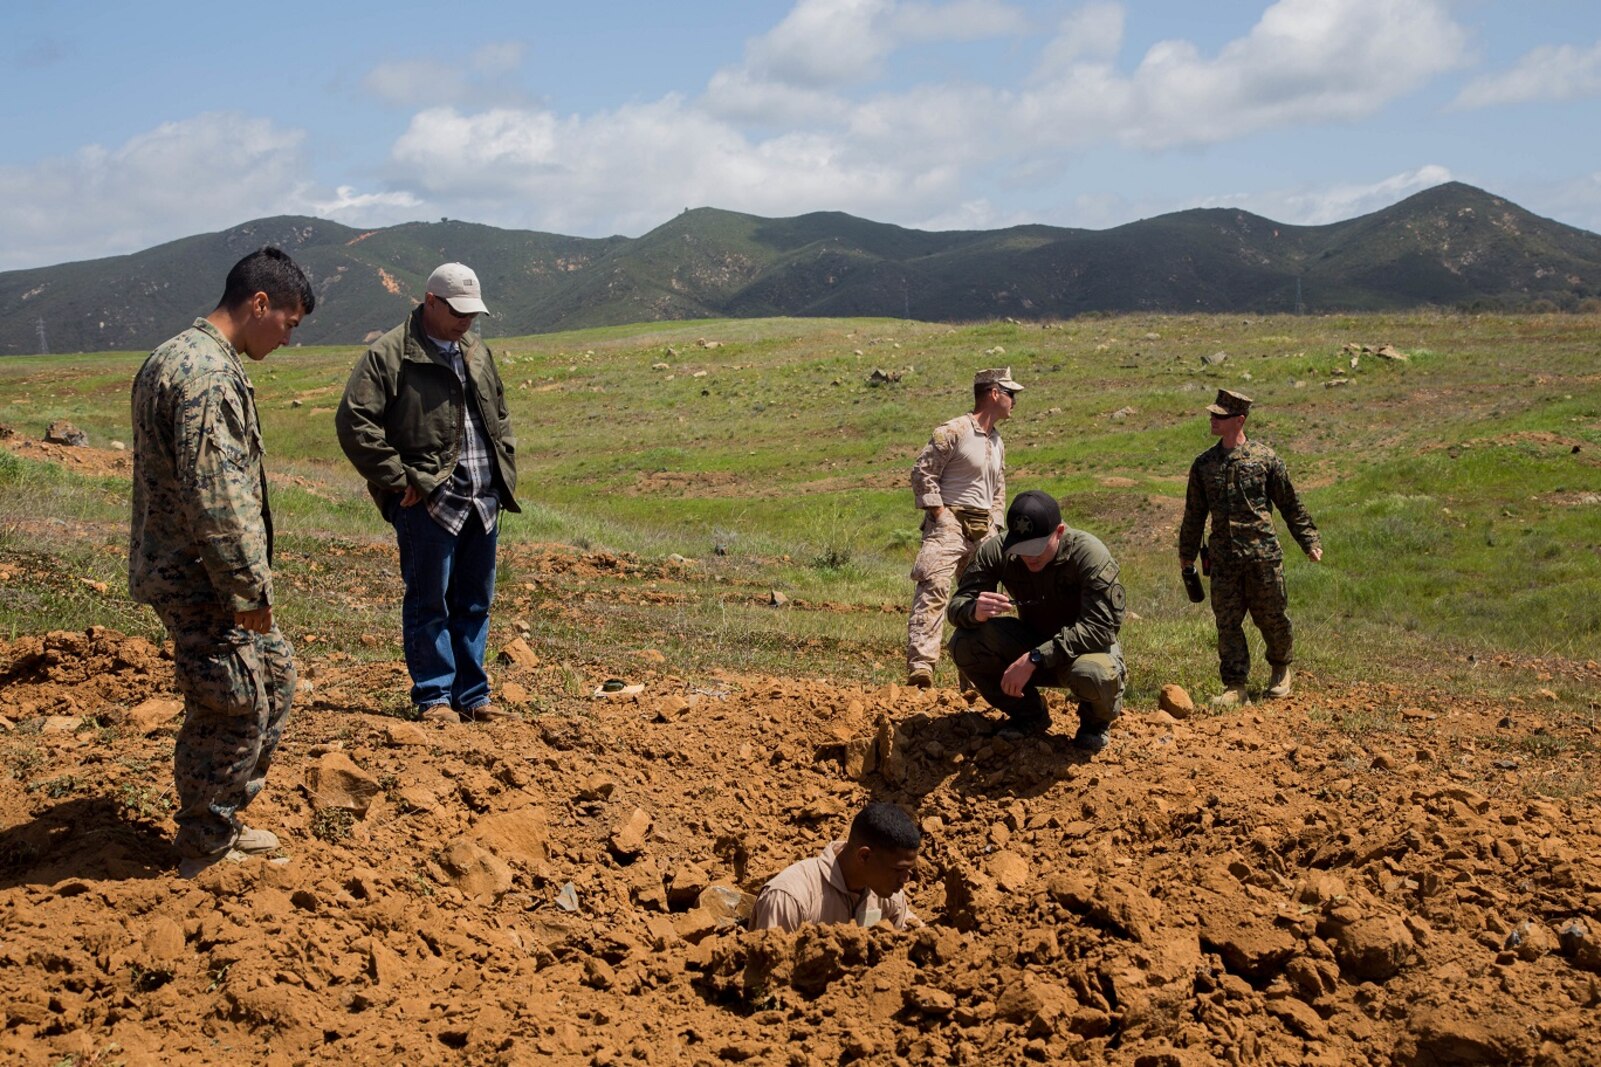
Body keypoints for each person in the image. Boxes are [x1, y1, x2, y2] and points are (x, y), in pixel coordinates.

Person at [128, 247, 314, 877]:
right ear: (259, 304)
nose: (288, 339)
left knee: (276, 677)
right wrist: (247, 587)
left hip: (198, 569)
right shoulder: (206, 376)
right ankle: (205, 846)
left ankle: (223, 817)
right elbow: (218, 495)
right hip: (204, 577)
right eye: (288, 322)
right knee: (233, 704)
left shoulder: (180, 356)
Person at [335, 263, 518, 724]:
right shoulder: (390, 354)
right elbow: (355, 422)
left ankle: (473, 697)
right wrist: (398, 480)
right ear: (430, 302)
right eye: (458, 312)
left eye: (473, 313)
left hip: (481, 499)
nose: (466, 322)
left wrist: (501, 477)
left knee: (475, 602)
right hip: (430, 502)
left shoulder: (475, 349)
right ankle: (434, 698)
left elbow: (498, 414)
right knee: (429, 602)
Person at [947, 489, 1126, 752]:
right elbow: (956, 606)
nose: (1029, 556)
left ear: (1060, 532)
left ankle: (1094, 724)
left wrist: (1036, 657)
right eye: (1021, 548)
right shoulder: (998, 550)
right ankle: (1029, 715)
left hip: (1081, 653)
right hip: (1029, 640)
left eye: (1037, 548)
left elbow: (1100, 628)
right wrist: (974, 610)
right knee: (964, 643)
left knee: (1093, 674)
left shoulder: (1089, 554)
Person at [1178, 389, 1322, 707]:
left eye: (1220, 416)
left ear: (1239, 420)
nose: (1212, 420)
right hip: (1224, 560)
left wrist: (1309, 540)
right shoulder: (1204, 465)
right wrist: (1186, 554)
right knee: (1227, 623)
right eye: (1213, 414)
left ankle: (1281, 669)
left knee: (1272, 617)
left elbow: (1290, 504)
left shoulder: (1266, 459)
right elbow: (1194, 513)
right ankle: (1235, 685)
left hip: (1263, 556)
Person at [905, 367, 1020, 689]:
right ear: (994, 393)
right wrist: (940, 514)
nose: (1015, 401)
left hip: (984, 527)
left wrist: (995, 525)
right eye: (1011, 394)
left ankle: (973, 673)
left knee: (981, 602)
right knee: (935, 587)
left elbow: (998, 488)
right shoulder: (954, 430)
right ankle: (922, 667)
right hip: (950, 521)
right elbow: (922, 472)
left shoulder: (998, 442)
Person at [751, 802, 922, 932]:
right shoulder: (789, 898)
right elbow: (768, 973)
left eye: (909, 870)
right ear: (864, 856)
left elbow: (920, 942)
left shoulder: (888, 894)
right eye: (899, 870)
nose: (905, 879)